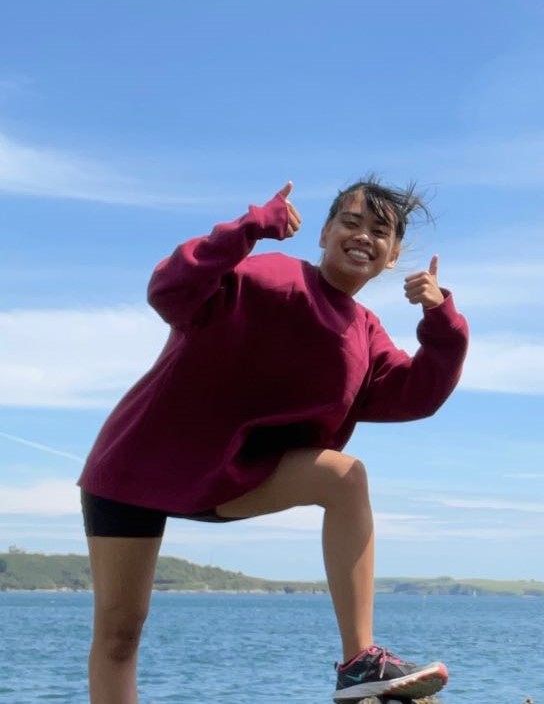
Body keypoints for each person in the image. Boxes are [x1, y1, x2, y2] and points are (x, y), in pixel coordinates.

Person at [78, 177, 469, 704]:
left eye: (380, 231)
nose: (363, 237)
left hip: (231, 473)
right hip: (135, 465)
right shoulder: (270, 276)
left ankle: (359, 661)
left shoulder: (367, 333)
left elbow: (417, 394)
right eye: (351, 223)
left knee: (345, 478)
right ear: (325, 231)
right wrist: (249, 228)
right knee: (119, 637)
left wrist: (441, 320)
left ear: (393, 256)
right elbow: (169, 290)